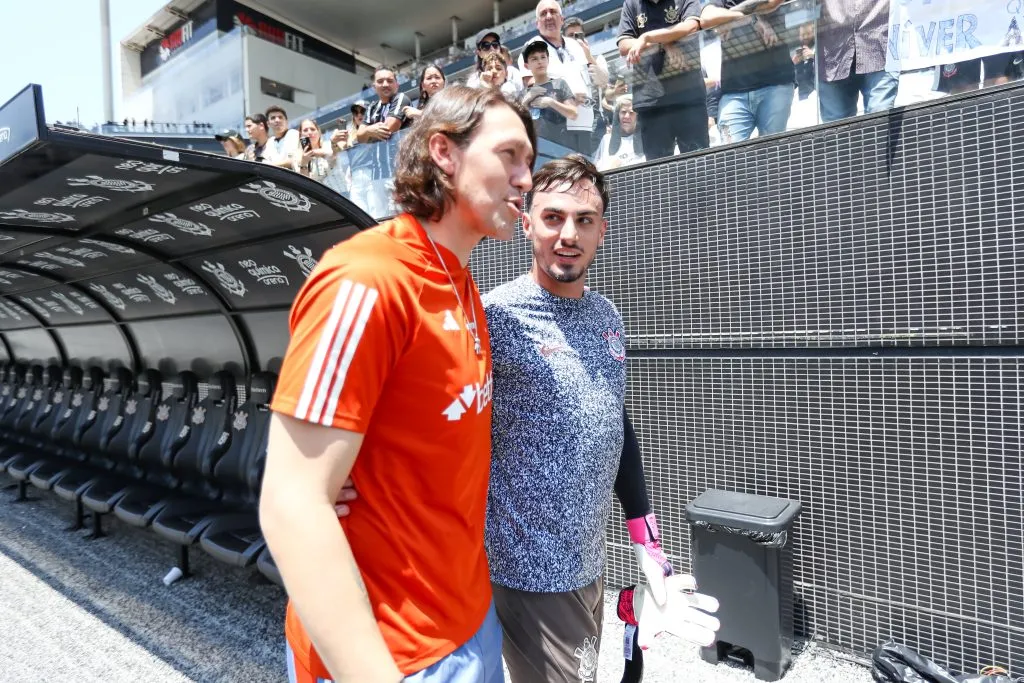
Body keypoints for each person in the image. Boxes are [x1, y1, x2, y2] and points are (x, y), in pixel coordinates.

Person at [260, 84, 537, 683]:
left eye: (530, 162)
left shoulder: (461, 285)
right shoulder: (366, 279)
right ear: (445, 152)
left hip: (470, 620)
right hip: (395, 655)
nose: (525, 178)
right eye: (511, 155)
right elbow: (290, 504)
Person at [483, 154, 711, 682]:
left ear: (602, 230)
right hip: (528, 570)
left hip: (590, 560)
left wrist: (647, 543)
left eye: (584, 220)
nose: (568, 234)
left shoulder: (607, 315)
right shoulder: (495, 316)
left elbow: (616, 427)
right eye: (553, 217)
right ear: (526, 224)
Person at [617, 0, 710, 160]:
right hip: (651, 101)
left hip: (688, 96)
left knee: (699, 167)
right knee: (658, 175)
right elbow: (624, 45)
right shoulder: (632, 3)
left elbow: (692, 26)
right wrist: (664, 44)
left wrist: (647, 37)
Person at [518, 0, 609, 154]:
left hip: (585, 123)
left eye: (553, 12)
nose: (548, 16)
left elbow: (594, 79)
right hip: (554, 126)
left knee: (584, 171)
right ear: (537, 23)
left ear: (562, 19)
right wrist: (567, 95)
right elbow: (532, 84)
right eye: (543, 13)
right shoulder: (531, 48)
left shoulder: (576, 46)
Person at [521, 37, 579, 150]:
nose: (540, 61)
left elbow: (573, 113)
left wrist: (551, 102)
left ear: (548, 60)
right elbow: (520, 123)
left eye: (543, 57)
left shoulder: (559, 83)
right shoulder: (525, 93)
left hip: (562, 145)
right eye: (534, 59)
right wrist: (526, 101)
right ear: (526, 65)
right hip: (538, 148)